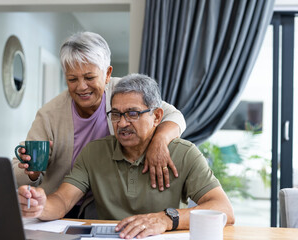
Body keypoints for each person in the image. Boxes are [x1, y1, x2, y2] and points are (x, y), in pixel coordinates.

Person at [18, 74, 235, 238]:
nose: (122, 124)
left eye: (132, 113)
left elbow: (224, 209)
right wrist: (40, 205)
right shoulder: (94, 152)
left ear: (157, 116)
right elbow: (63, 200)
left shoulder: (184, 153)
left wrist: (165, 219)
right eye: (116, 114)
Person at [13, 32, 186, 217]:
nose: (81, 87)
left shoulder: (123, 94)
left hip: (108, 206)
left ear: (107, 74)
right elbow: (17, 172)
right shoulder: (49, 115)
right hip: (60, 206)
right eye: (72, 79)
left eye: (89, 78)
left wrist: (159, 142)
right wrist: (33, 172)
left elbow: (174, 116)